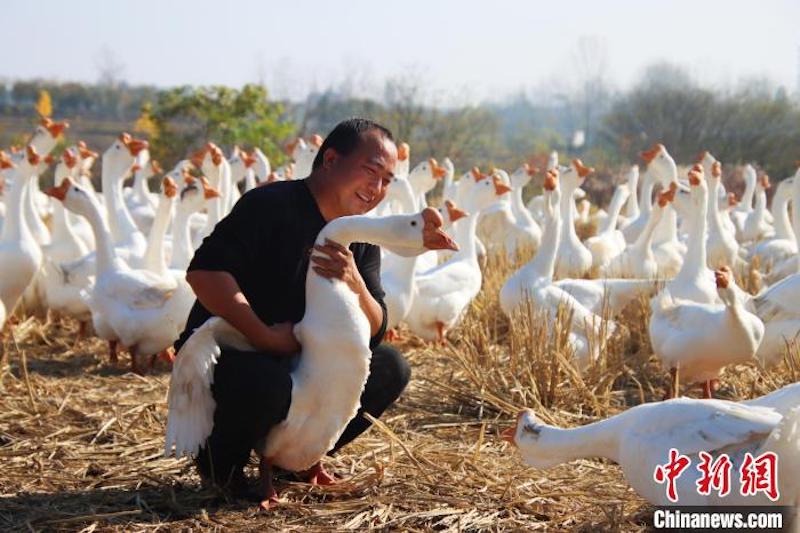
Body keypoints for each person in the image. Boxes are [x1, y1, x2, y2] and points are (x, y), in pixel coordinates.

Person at [176, 118, 410, 496]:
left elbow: (376, 327)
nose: (377, 188)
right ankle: (221, 464)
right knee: (265, 384)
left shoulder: (359, 235)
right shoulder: (270, 205)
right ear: (331, 160)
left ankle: (296, 459)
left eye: (387, 180)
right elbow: (205, 274)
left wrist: (354, 281)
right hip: (235, 352)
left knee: (390, 367)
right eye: (371, 171)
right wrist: (266, 337)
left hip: (303, 361)